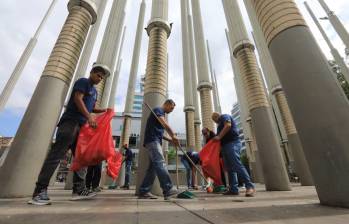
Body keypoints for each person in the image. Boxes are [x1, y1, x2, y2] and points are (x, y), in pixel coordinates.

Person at [28, 64, 111, 205]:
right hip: (70, 123)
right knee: (56, 155)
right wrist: (89, 116)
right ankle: (39, 191)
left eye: (102, 78)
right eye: (98, 75)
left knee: (81, 158)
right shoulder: (83, 82)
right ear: (92, 73)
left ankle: (78, 190)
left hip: (81, 128)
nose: (100, 79)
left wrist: (104, 110)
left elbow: (92, 107)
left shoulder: (94, 92)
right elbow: (78, 98)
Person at [138, 99, 180, 200]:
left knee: (152, 169)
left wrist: (170, 139)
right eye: (171, 108)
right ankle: (168, 189)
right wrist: (173, 135)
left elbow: (160, 133)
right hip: (153, 141)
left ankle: (144, 191)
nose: (171, 110)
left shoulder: (161, 113)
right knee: (160, 163)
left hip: (154, 140)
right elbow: (165, 125)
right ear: (167, 104)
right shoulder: (158, 110)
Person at [211, 112, 255, 197]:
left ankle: (249, 186)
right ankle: (233, 189)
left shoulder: (224, 117)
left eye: (214, 120)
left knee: (236, 164)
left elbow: (228, 125)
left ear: (217, 117)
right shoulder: (219, 125)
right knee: (230, 168)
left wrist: (219, 136)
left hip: (232, 143)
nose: (215, 122)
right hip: (225, 146)